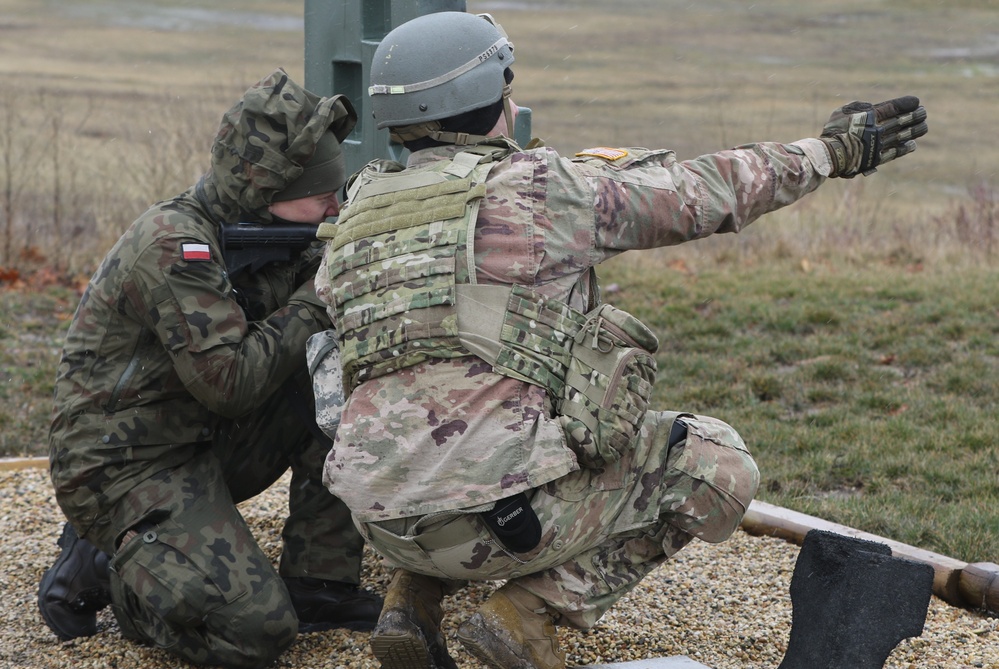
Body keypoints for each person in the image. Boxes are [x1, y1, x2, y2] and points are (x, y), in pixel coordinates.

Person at [309, 12, 929, 669]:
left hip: (381, 523)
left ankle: (410, 598)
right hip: (499, 522)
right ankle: (528, 610)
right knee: (716, 464)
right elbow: (701, 194)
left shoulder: (358, 207)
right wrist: (830, 152)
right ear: (492, 94)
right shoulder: (542, 192)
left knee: (445, 404)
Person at [38, 69, 382, 669]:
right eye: (322, 189)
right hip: (121, 463)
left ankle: (320, 585)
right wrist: (314, 297)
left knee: (340, 388)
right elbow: (230, 384)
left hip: (197, 438)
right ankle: (119, 568)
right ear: (263, 187)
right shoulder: (175, 246)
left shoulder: (279, 230)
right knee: (256, 635)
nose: (336, 200)